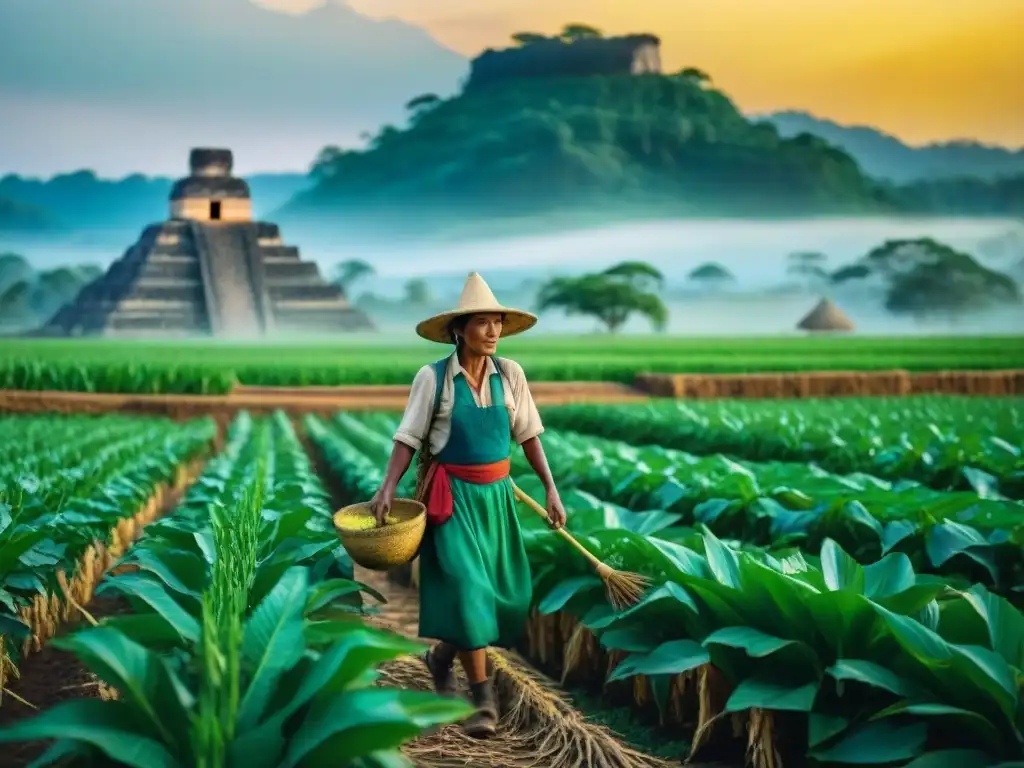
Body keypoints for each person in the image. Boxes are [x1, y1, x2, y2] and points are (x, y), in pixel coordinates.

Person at [368, 271, 567, 739]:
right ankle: (483, 700)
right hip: (451, 499)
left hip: (496, 500)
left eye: (497, 322)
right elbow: (409, 439)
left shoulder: (510, 375)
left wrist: (550, 489)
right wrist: (386, 488)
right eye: (483, 323)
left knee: (507, 596)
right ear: (459, 329)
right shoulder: (433, 378)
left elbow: (529, 435)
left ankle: (439, 657)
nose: (493, 331)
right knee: (470, 590)